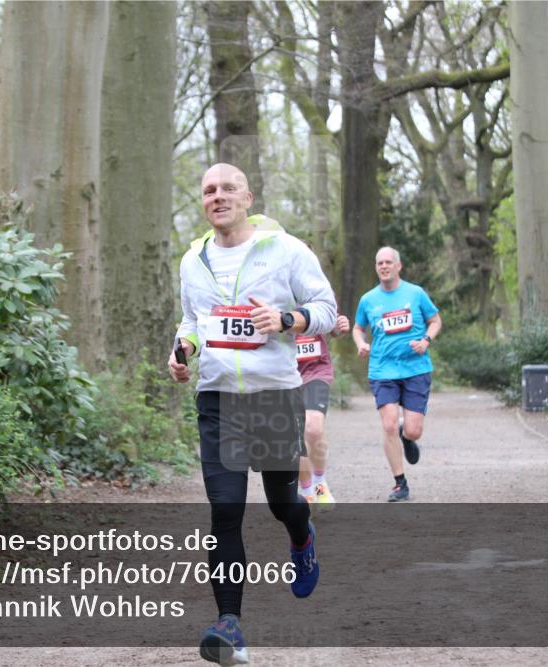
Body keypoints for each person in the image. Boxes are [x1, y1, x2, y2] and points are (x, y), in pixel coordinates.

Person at [168, 163, 337, 666]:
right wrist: (183, 348)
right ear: (203, 202)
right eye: (208, 190)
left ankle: (302, 535)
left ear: (248, 197)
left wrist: (288, 319)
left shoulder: (285, 250)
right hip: (218, 399)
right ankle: (230, 624)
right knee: (225, 511)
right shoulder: (191, 261)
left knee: (283, 501)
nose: (217, 197)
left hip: (273, 396)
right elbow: (192, 319)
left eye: (227, 189)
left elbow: (325, 306)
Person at [352, 247, 441, 502]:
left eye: (388, 262)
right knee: (388, 423)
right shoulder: (368, 299)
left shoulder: (416, 293)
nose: (384, 266)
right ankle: (400, 483)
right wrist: (360, 343)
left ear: (398, 266)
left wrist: (426, 340)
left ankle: (407, 436)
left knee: (413, 431)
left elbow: (435, 321)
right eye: (379, 262)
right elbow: (358, 328)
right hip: (382, 369)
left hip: (415, 368)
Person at [296, 313, 350, 508]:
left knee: (313, 427)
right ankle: (307, 492)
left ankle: (320, 484)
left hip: (315, 371)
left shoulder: (311, 286)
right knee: (296, 436)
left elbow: (331, 325)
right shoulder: (266, 289)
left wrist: (338, 326)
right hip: (283, 374)